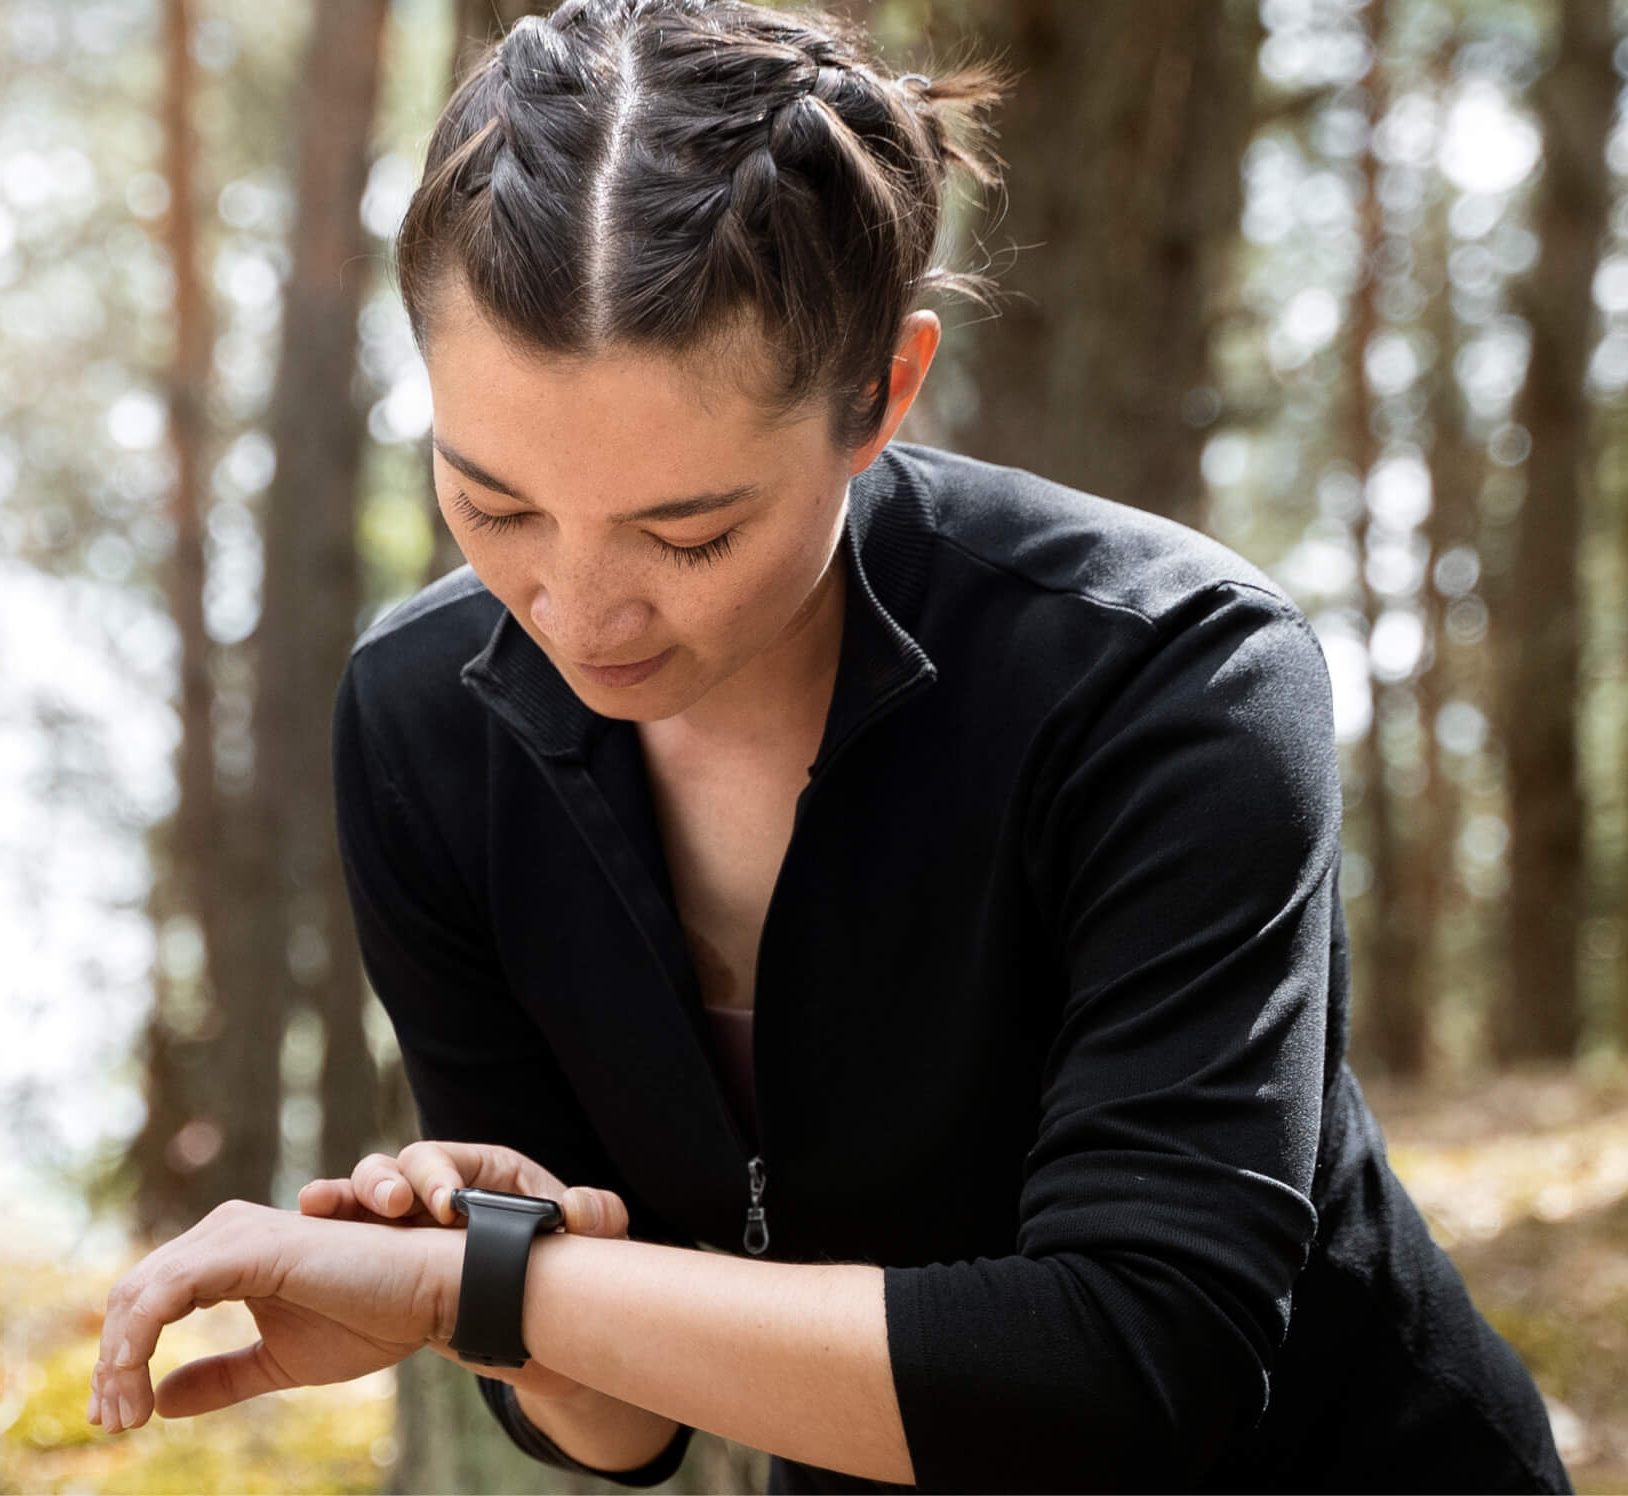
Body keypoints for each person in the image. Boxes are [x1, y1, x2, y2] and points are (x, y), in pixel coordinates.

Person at [87, 2, 1572, 1491]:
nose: (580, 612)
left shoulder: (1168, 675)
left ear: (884, 394)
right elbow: (620, 1423)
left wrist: (482, 1288)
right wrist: (502, 1283)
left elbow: (1140, 1363)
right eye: (497, 504)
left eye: (692, 530)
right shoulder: (425, 723)